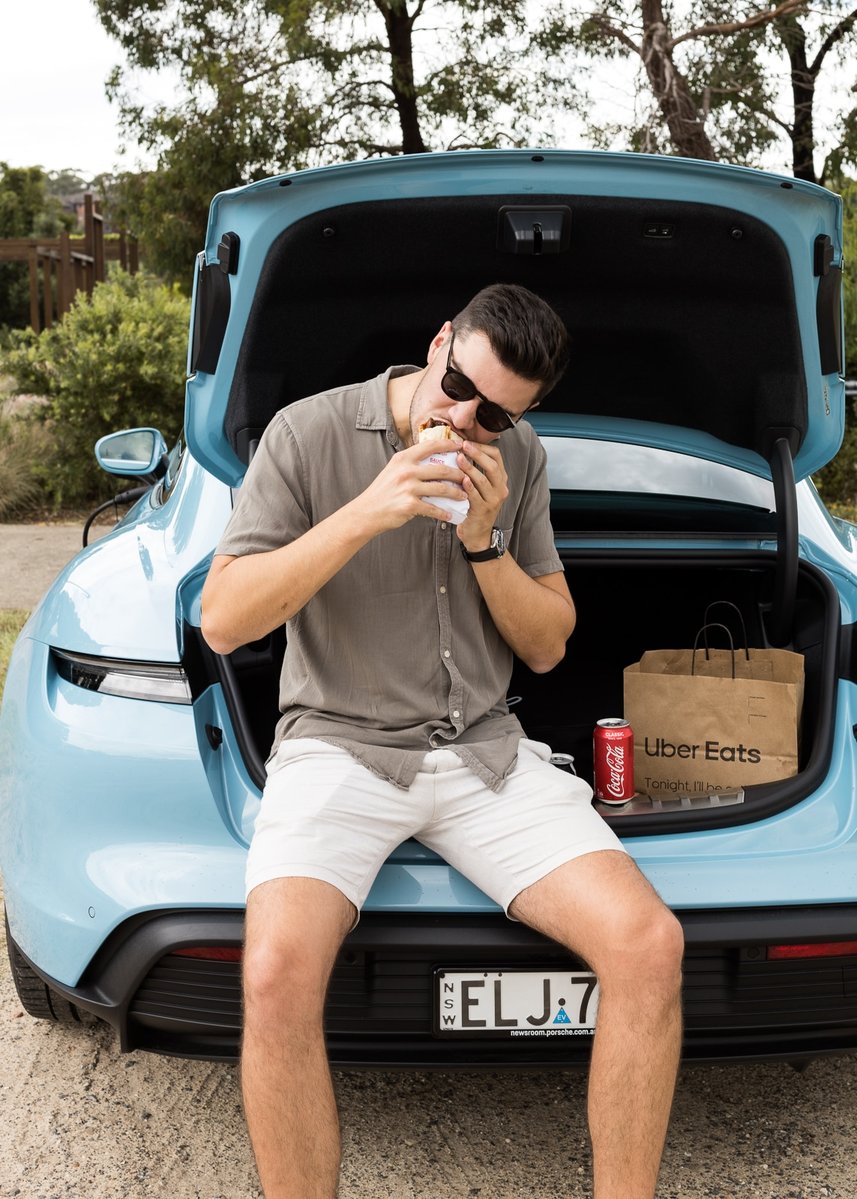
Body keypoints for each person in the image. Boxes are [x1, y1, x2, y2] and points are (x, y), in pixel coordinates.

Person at [201, 283, 684, 1199]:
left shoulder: (520, 457)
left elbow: (546, 645)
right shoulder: (305, 434)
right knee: (272, 974)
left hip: (482, 752)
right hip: (337, 747)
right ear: (436, 343)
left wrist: (482, 540)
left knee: (647, 944)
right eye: (456, 384)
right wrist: (370, 509)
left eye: (495, 411)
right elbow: (222, 620)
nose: (463, 418)